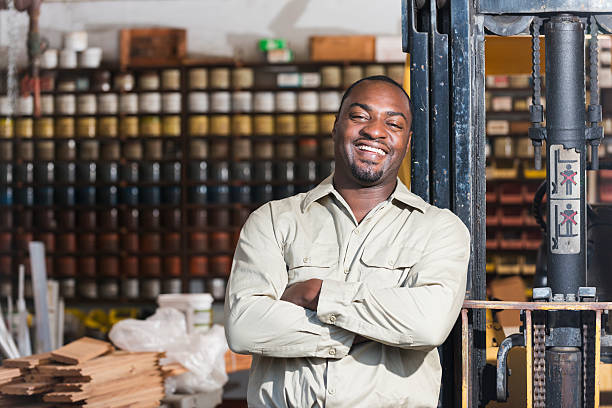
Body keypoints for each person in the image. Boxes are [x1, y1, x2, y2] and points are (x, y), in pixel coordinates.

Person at [224, 75, 470, 408]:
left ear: (407, 141)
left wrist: (318, 293)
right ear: (336, 126)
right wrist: (369, 331)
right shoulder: (274, 220)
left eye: (393, 124)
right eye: (360, 116)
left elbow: (428, 325)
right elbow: (245, 327)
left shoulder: (439, 229)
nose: (375, 131)